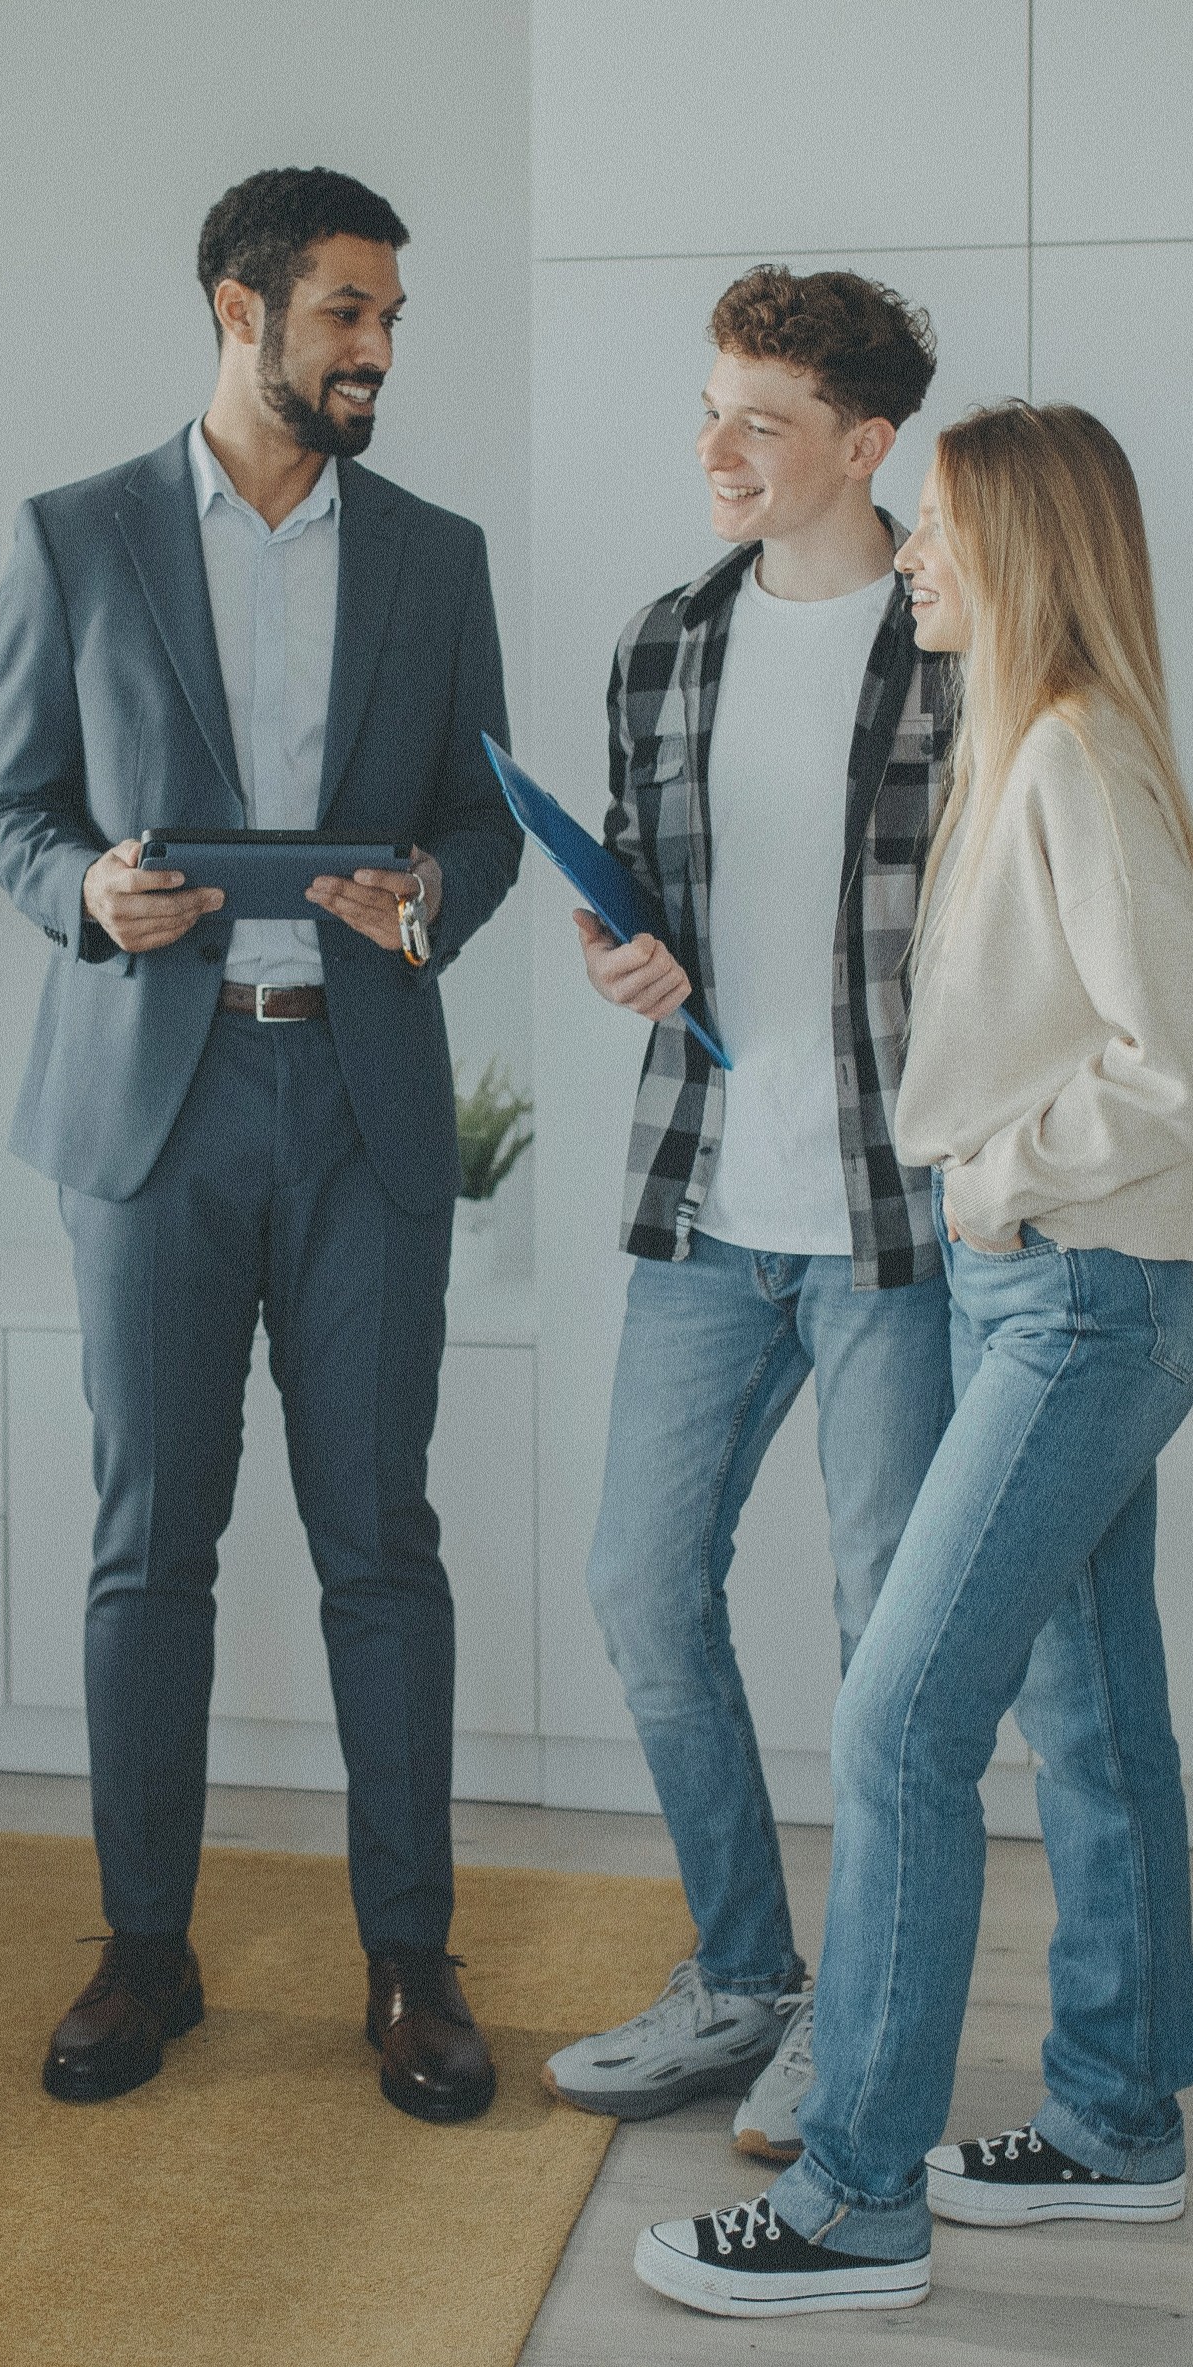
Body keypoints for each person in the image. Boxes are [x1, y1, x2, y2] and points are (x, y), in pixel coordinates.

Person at [0, 166, 521, 2120]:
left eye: (387, 315)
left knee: (382, 1543)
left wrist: (427, 899)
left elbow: (482, 811)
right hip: (150, 1107)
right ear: (240, 309)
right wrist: (88, 892)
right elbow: (9, 806)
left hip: (361, 1104)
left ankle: (410, 1961)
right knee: (148, 1542)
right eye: (345, 312)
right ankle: (143, 1947)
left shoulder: (435, 555)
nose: (375, 348)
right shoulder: (78, 535)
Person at [639, 401, 1193, 2317]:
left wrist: (992, 1182)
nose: (915, 558)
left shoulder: (1070, 760)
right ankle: (1123, 2119)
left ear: (1021, 552)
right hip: (1065, 1285)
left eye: (942, 531)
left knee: (896, 1727)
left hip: (1076, 1289)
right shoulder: (1027, 746)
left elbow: (1179, 1057)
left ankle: (855, 2199)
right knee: (1099, 1712)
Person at [543, 270, 955, 2160]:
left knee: (890, 1646)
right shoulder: (665, 641)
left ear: (868, 447)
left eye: (765, 418)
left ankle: (855, 2032)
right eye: (711, 406)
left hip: (901, 1226)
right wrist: (624, 955)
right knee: (641, 1583)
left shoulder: (963, 634)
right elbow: (653, 903)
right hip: (711, 1203)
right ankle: (744, 1980)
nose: (718, 448)